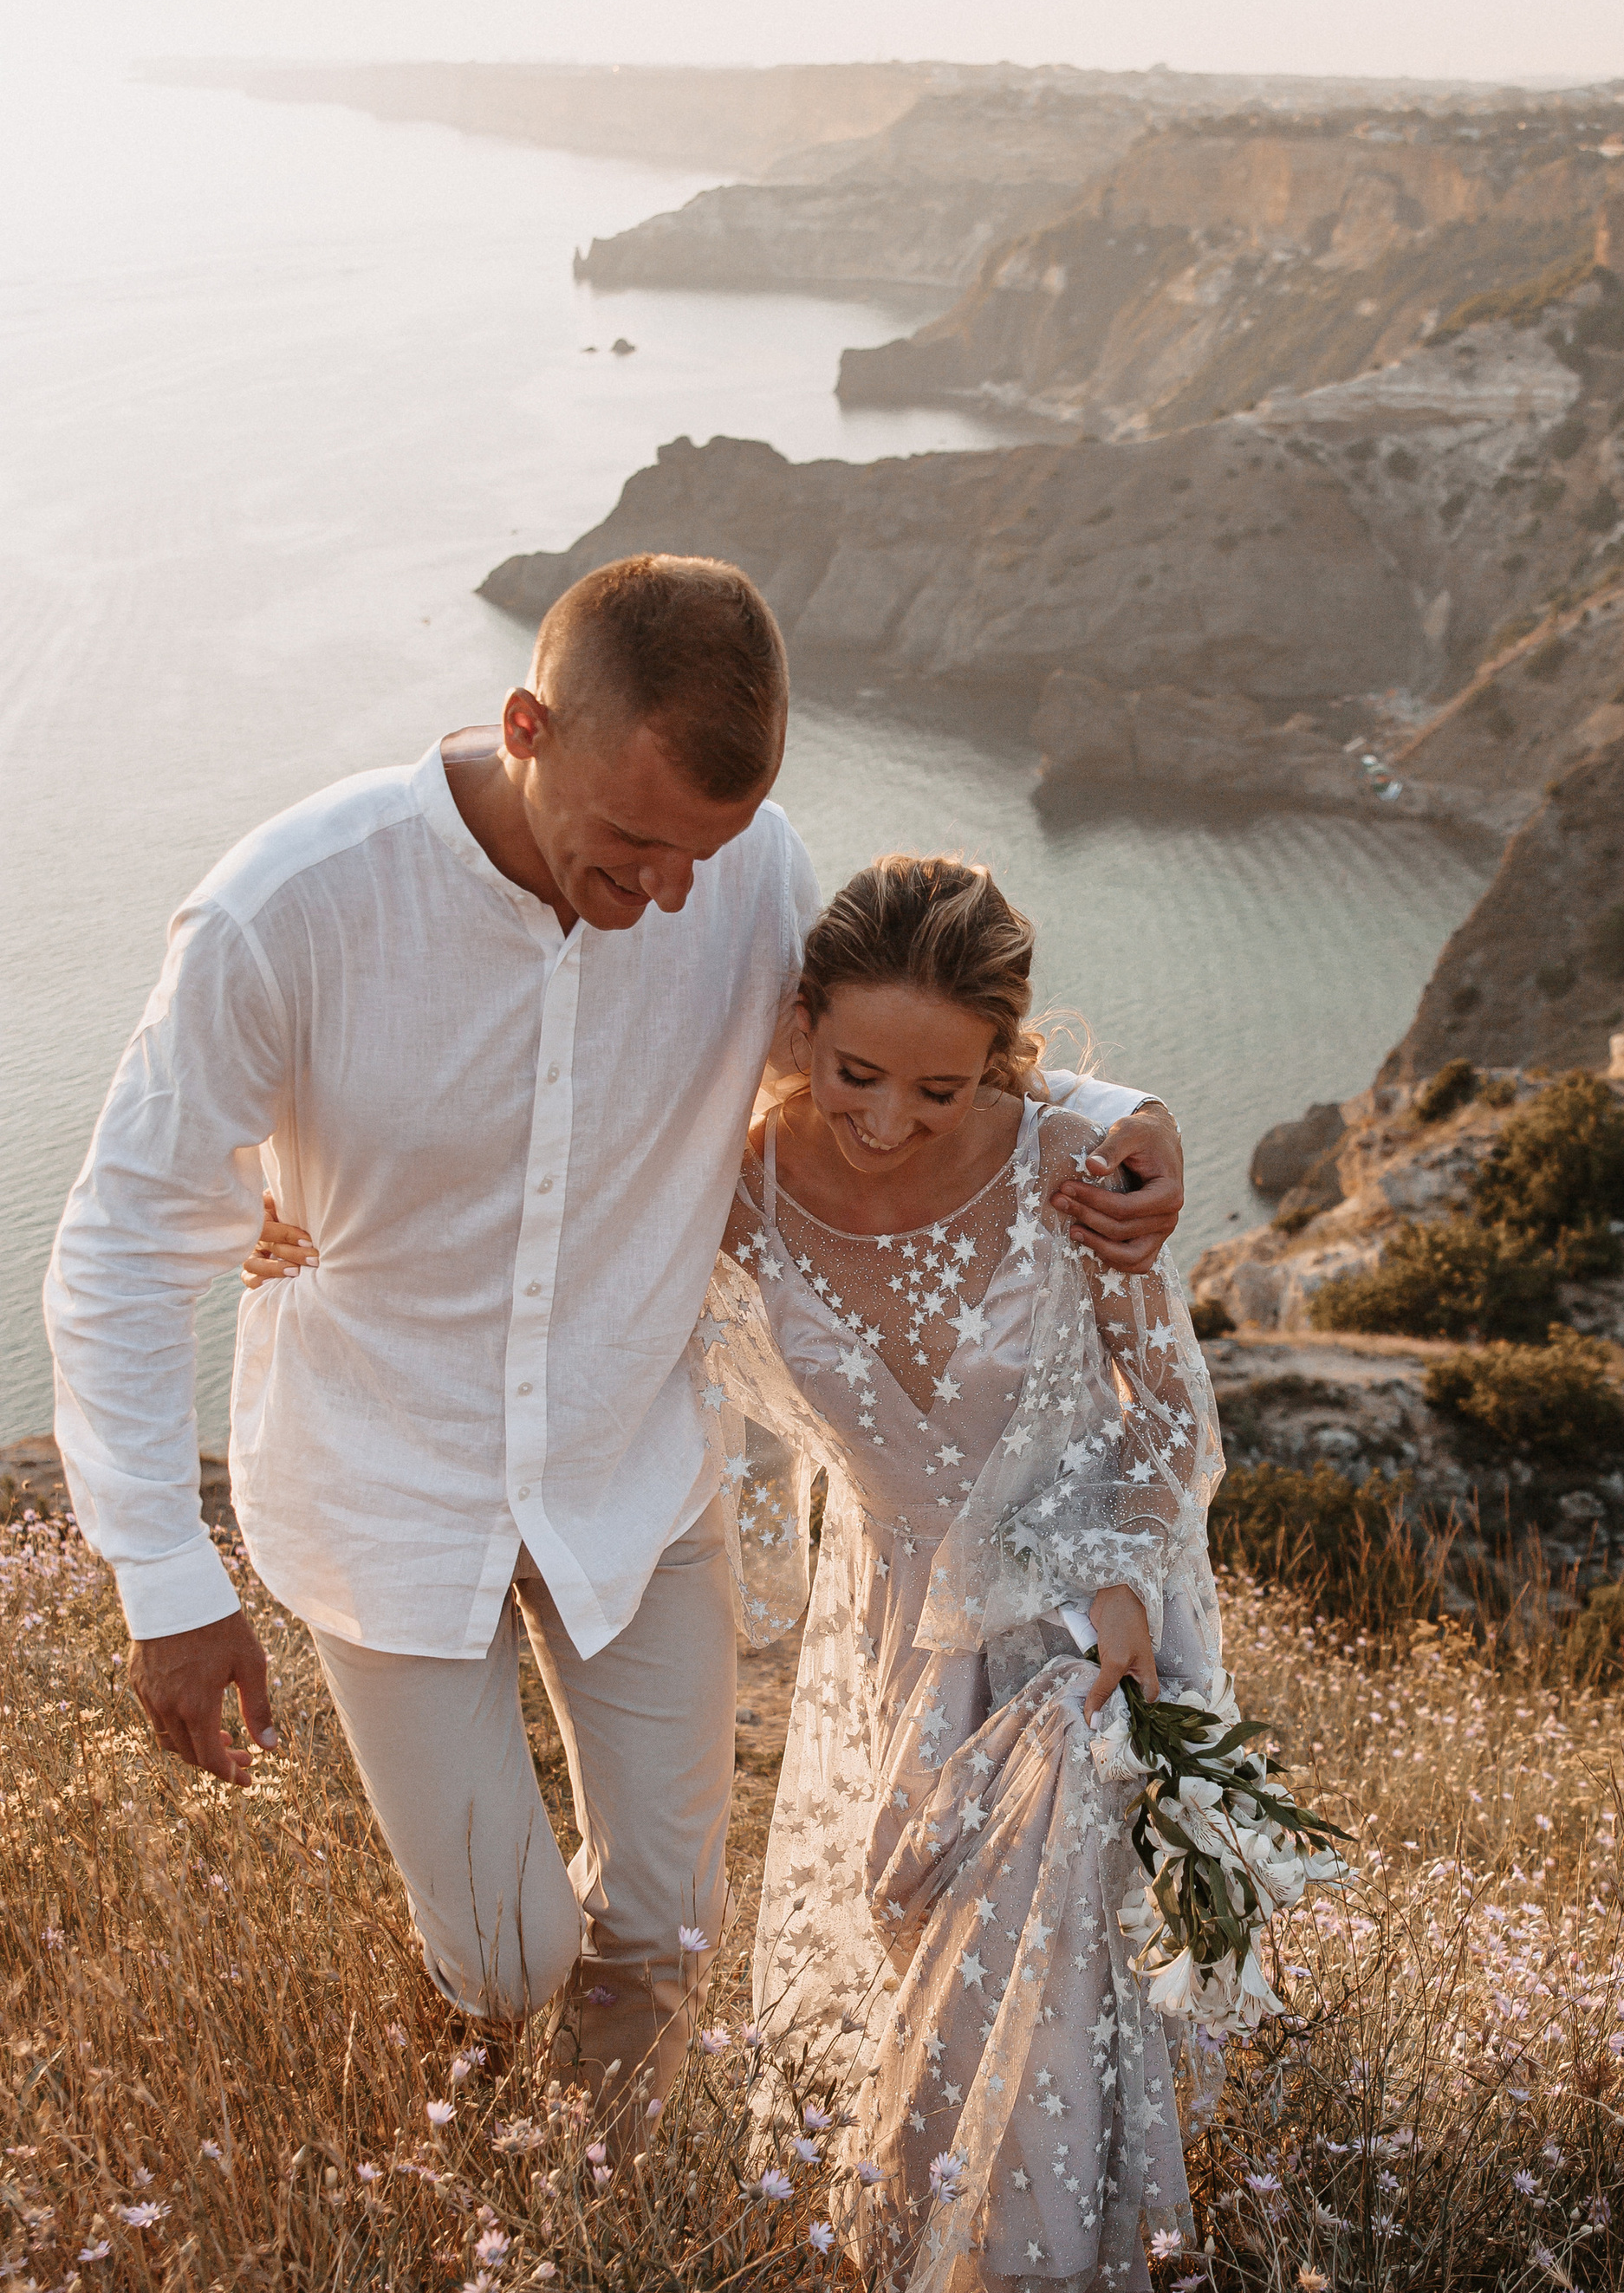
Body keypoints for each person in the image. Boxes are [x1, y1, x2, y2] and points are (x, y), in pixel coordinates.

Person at [44, 553, 1183, 2140]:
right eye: (635, 843)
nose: (667, 895)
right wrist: (166, 1584)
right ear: (525, 723)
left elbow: (890, 1052)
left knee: (668, 1928)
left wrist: (1106, 1120)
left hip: (628, 1479)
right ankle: (478, 2094)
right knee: (512, 1957)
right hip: (383, 1491)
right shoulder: (288, 910)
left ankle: (583, 2224)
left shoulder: (750, 870)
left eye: (702, 859)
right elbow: (115, 1245)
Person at [252, 852, 1227, 2293]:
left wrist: (1123, 1589)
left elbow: (1163, 1404)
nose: (893, 1119)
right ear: (794, 1028)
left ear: (1009, 1059)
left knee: (1034, 1971)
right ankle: (931, 2269)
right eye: (856, 1072)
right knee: (915, 1946)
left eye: (943, 1082)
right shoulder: (735, 1184)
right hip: (893, 1627)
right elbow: (529, 1222)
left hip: (1080, 1619)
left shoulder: (1078, 1163)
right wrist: (302, 1210)